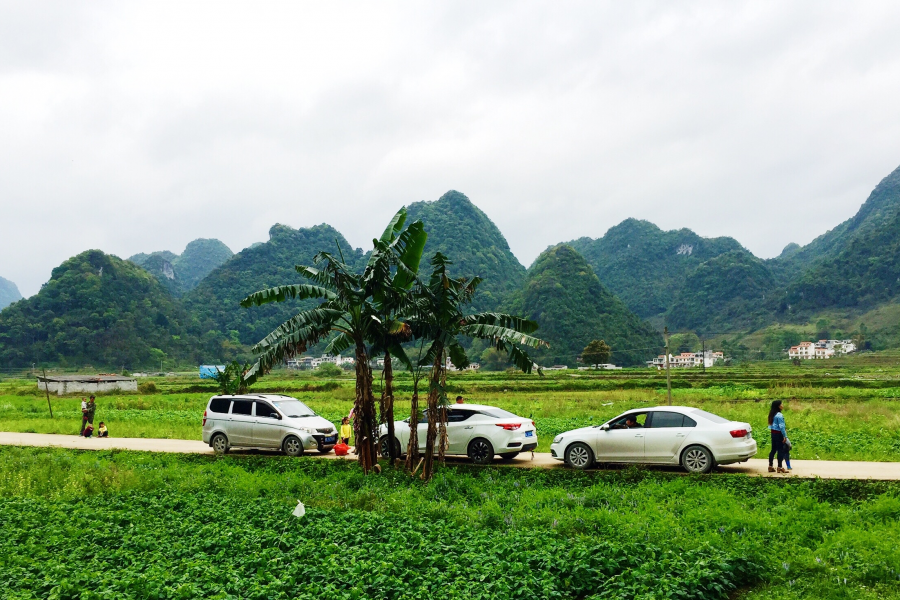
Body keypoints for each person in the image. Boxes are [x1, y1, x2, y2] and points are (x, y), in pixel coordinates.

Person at [767, 400, 788, 473]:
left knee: (773, 450)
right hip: (779, 434)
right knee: (780, 450)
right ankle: (780, 467)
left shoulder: (772, 414)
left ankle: (770, 466)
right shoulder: (779, 415)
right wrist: (785, 436)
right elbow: (782, 426)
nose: (783, 405)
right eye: (781, 404)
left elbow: (770, 426)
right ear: (778, 406)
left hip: (773, 433)